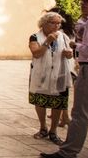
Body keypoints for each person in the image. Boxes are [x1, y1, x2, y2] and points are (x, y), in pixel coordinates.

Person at [41, 0, 88, 158]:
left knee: (80, 113)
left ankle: (69, 152)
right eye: (82, 0)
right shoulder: (87, 20)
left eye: (87, 1)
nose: (83, 3)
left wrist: (75, 47)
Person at [26, 12, 72, 145]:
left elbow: (69, 55)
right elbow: (36, 54)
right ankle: (43, 127)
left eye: (58, 23)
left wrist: (68, 54)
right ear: (44, 23)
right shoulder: (35, 37)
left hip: (59, 74)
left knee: (58, 102)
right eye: (53, 23)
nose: (56, 26)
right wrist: (47, 41)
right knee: (40, 101)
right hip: (41, 74)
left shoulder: (63, 37)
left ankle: (53, 131)